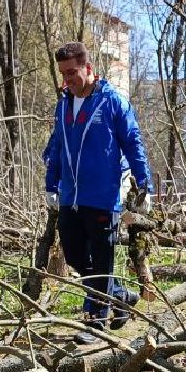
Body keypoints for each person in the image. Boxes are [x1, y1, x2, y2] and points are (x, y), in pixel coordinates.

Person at [43, 41, 154, 342]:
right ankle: (120, 296)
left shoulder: (112, 102)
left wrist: (144, 186)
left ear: (88, 68)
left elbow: (133, 144)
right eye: (63, 74)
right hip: (71, 196)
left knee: (102, 261)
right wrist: (51, 184)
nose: (67, 80)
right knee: (75, 256)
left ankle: (96, 323)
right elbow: (57, 147)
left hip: (103, 196)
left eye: (72, 72)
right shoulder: (64, 105)